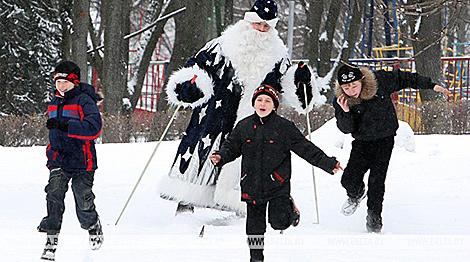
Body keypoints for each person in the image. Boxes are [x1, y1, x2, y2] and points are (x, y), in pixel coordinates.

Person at [159, 0, 326, 215]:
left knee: (248, 161)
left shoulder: (278, 57)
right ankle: (186, 203)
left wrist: (302, 82)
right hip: (215, 116)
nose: (261, 30)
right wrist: (189, 86)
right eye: (258, 24)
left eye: (267, 27)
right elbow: (196, 69)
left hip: (254, 120)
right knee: (201, 156)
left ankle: (244, 205)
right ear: (248, 21)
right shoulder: (220, 47)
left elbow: (294, 94)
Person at [210, 85, 342, 262]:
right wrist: (220, 156)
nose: (262, 104)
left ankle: (290, 209)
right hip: (252, 183)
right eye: (259, 100)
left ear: (274, 105)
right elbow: (231, 147)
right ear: (254, 103)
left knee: (279, 222)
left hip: (277, 183)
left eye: (267, 101)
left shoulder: (284, 127)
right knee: (254, 227)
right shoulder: (244, 126)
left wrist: (328, 163)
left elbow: (305, 148)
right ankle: (256, 258)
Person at [333, 63, 451, 233]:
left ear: (362, 80)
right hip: (362, 143)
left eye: (354, 85)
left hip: (384, 140)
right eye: (346, 87)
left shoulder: (379, 81)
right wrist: (345, 112)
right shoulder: (341, 100)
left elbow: (404, 78)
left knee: (377, 181)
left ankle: (374, 218)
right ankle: (356, 194)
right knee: (348, 180)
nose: (351, 90)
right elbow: (346, 128)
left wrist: (431, 85)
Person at [37, 61, 104, 260]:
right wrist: (51, 154)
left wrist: (66, 125)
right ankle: (51, 240)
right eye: (57, 81)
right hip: (59, 159)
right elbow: (54, 135)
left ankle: (92, 224)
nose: (61, 85)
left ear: (74, 81)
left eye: (65, 81)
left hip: (83, 161)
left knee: (82, 198)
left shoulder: (84, 101)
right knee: (54, 194)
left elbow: (94, 128)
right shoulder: (54, 103)